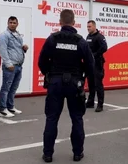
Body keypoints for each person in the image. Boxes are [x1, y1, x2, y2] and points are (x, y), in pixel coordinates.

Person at [38, 9, 95, 163]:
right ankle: (78, 153)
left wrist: (49, 73)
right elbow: (90, 64)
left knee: (51, 118)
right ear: (74, 22)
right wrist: (83, 78)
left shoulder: (52, 39)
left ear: (60, 22)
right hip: (74, 84)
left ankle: (48, 154)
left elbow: (41, 61)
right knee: (76, 118)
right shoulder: (80, 41)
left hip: (55, 82)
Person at [0, 16, 29, 118]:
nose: (12, 24)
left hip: (19, 65)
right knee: (6, 88)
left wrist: (24, 48)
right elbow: (3, 50)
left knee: (13, 88)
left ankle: (10, 106)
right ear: (7, 23)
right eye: (10, 22)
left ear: (17, 24)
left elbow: (16, 49)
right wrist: (8, 64)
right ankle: (2, 109)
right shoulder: (4, 35)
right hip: (10, 66)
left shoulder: (18, 35)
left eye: (14, 22)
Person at [85, 20, 108, 112]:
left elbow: (104, 47)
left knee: (98, 84)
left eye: (89, 27)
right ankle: (90, 102)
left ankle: (100, 104)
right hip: (90, 64)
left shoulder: (99, 37)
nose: (88, 28)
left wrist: (95, 55)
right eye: (87, 27)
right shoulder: (88, 36)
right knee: (91, 84)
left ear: (94, 27)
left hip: (97, 64)